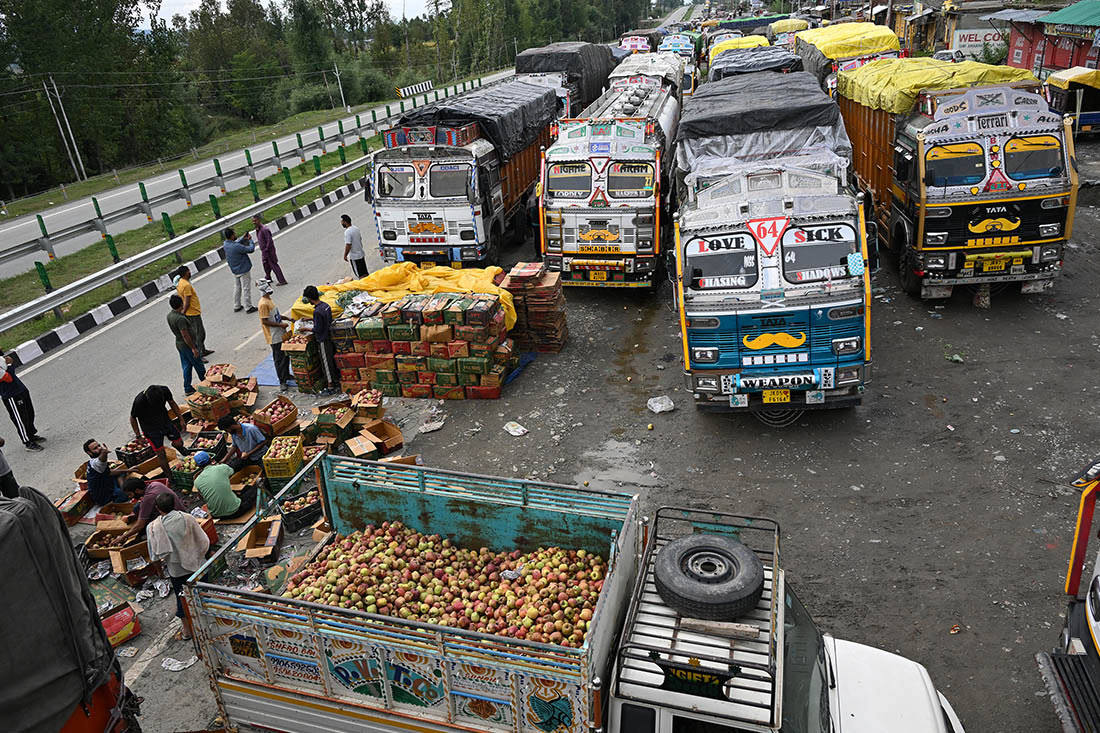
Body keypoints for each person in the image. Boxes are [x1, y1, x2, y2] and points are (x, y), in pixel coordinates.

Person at [147, 491, 209, 641]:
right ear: (174, 504)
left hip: (177, 571)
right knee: (204, 594)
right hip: (198, 564)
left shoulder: (153, 527)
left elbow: (154, 555)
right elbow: (204, 540)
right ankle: (209, 623)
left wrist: (160, 572)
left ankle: (187, 630)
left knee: (182, 599)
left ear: (157, 508)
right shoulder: (187, 518)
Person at [130, 385, 188, 484]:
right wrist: (138, 436)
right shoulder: (139, 401)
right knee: (161, 454)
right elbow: (132, 418)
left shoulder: (164, 390)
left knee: (178, 443)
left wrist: (181, 419)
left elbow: (172, 403)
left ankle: (181, 449)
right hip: (150, 430)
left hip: (166, 423)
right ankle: (170, 478)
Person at [118, 477, 185, 544]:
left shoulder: (147, 499)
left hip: (174, 519)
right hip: (180, 511)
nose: (129, 497)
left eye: (130, 494)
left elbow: (140, 525)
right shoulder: (155, 484)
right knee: (137, 508)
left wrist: (123, 537)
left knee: (142, 534)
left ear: (137, 490)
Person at [192, 451, 257, 519]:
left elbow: (203, 497)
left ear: (198, 465)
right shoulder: (221, 468)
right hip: (236, 511)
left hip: (216, 515)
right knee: (257, 486)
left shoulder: (197, 481)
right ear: (211, 459)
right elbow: (234, 467)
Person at [0, 351, 43, 452]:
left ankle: (31, 434)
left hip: (20, 389)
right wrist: (10, 364)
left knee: (29, 413)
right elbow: (8, 378)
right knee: (20, 418)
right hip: (11, 395)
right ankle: (27, 442)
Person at [257, 279, 292, 391]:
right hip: (274, 336)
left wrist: (288, 318)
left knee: (285, 356)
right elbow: (265, 321)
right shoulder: (263, 304)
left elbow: (276, 315)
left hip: (280, 333)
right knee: (279, 358)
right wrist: (280, 325)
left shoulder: (269, 300)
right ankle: (282, 381)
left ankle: (286, 375)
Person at [168, 294, 207, 394]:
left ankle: (187, 387)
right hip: (187, 346)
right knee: (199, 365)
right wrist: (193, 348)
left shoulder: (170, 316)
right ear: (181, 304)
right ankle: (206, 384)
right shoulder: (180, 319)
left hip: (180, 345)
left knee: (187, 366)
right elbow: (185, 335)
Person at [304, 285, 338, 394]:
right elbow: (325, 320)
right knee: (330, 360)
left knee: (326, 362)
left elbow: (317, 329)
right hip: (329, 336)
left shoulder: (317, 311)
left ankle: (330, 386)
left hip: (323, 339)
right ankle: (334, 380)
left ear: (309, 298)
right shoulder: (325, 306)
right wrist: (311, 319)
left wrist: (305, 328)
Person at [175, 266, 214, 359]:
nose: (190, 272)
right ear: (186, 273)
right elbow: (187, 301)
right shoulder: (186, 285)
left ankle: (203, 350)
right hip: (192, 312)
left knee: (197, 332)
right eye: (189, 271)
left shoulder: (180, 283)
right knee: (200, 334)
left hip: (190, 312)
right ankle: (199, 353)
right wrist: (184, 311)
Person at [82, 439, 129, 505]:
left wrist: (129, 470)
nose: (99, 448)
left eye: (99, 446)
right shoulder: (96, 463)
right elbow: (101, 461)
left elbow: (109, 472)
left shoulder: (93, 461)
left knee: (121, 472)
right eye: (95, 448)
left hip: (108, 483)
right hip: (104, 496)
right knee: (125, 496)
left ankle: (123, 487)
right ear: (89, 453)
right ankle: (123, 490)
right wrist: (104, 453)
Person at [223, 226, 257, 313]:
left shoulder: (226, 244)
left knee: (237, 287)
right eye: (234, 234)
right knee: (246, 288)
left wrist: (243, 238)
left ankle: (237, 305)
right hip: (243, 269)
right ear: (231, 236)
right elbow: (250, 249)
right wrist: (250, 240)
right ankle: (248, 307)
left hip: (235, 270)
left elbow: (236, 243)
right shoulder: (236, 246)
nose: (236, 235)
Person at [253, 214, 286, 286]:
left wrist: (266, 249)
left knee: (273, 265)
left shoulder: (264, 229)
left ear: (259, 220)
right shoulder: (258, 229)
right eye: (253, 221)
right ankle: (268, 278)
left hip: (268, 251)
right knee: (266, 265)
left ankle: (282, 280)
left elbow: (269, 240)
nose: (254, 222)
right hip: (264, 251)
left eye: (255, 221)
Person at [341, 214, 368, 278]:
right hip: (361, 254)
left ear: (345, 222)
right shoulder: (356, 228)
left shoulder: (347, 232)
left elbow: (348, 245)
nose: (341, 223)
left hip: (355, 257)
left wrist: (345, 255)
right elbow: (360, 239)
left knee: (359, 275)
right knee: (365, 273)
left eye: (342, 222)